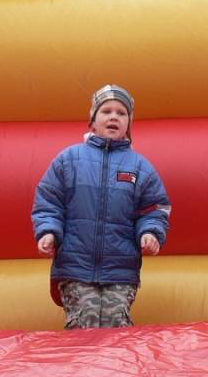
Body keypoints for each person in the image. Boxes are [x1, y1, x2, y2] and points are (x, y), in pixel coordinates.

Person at [31, 84, 171, 329]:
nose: (114, 116)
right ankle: (80, 368)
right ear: (93, 120)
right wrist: (48, 231)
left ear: (129, 123)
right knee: (85, 321)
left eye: (121, 112)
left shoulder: (139, 167)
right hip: (76, 266)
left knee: (116, 324)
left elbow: (154, 209)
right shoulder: (70, 160)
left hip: (120, 268)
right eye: (106, 111)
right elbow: (49, 201)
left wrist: (150, 232)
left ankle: (118, 368)